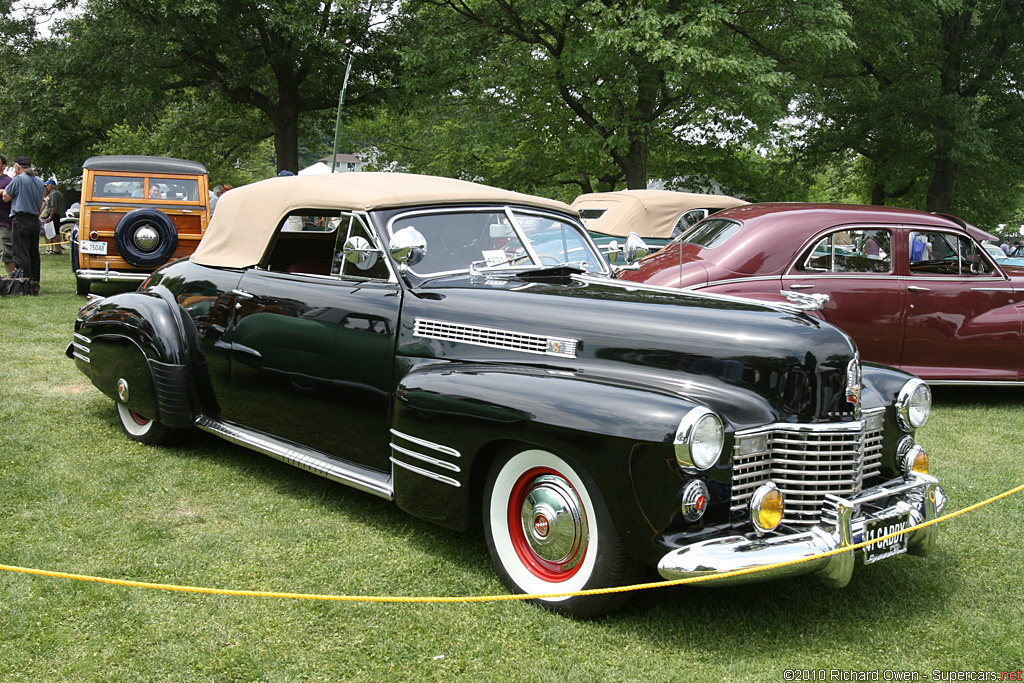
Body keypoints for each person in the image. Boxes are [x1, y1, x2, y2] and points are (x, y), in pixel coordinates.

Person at [1, 156, 45, 284]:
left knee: (21, 253)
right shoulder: (39, 181)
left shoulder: (19, 179)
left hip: (21, 219)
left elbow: (6, 197)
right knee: (33, 253)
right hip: (35, 220)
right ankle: (35, 282)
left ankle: (24, 282)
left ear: (16, 167)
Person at [41, 179, 65, 255]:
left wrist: (50, 217)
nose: (46, 187)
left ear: (51, 186)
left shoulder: (53, 194)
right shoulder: (56, 193)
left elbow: (54, 206)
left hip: (54, 215)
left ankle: (57, 250)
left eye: (47, 186)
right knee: (55, 232)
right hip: (55, 215)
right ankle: (56, 249)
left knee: (54, 233)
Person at [0, 155, 14, 275]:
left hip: (3, 223)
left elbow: (12, 197)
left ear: (3, 166)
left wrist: (2, 192)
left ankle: (13, 282)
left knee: (6, 254)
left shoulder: (8, 181)